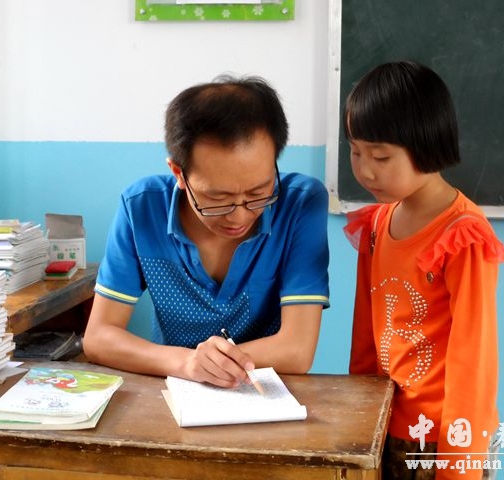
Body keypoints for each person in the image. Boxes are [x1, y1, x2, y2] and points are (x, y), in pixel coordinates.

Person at [83, 75, 329, 390]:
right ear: (178, 173)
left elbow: (297, 350)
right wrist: (187, 363)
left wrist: (211, 364)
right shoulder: (141, 208)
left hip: (267, 397)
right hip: (178, 391)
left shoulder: (299, 204)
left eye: (258, 191)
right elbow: (99, 337)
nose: (240, 215)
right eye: (217, 198)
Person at [343, 61, 504, 479]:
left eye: (381, 156)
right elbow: (366, 333)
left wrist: (459, 466)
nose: (364, 169)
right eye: (355, 151)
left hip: (440, 444)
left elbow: (475, 360)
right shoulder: (376, 224)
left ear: (427, 144)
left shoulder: (462, 235)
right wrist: (359, 419)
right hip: (382, 429)